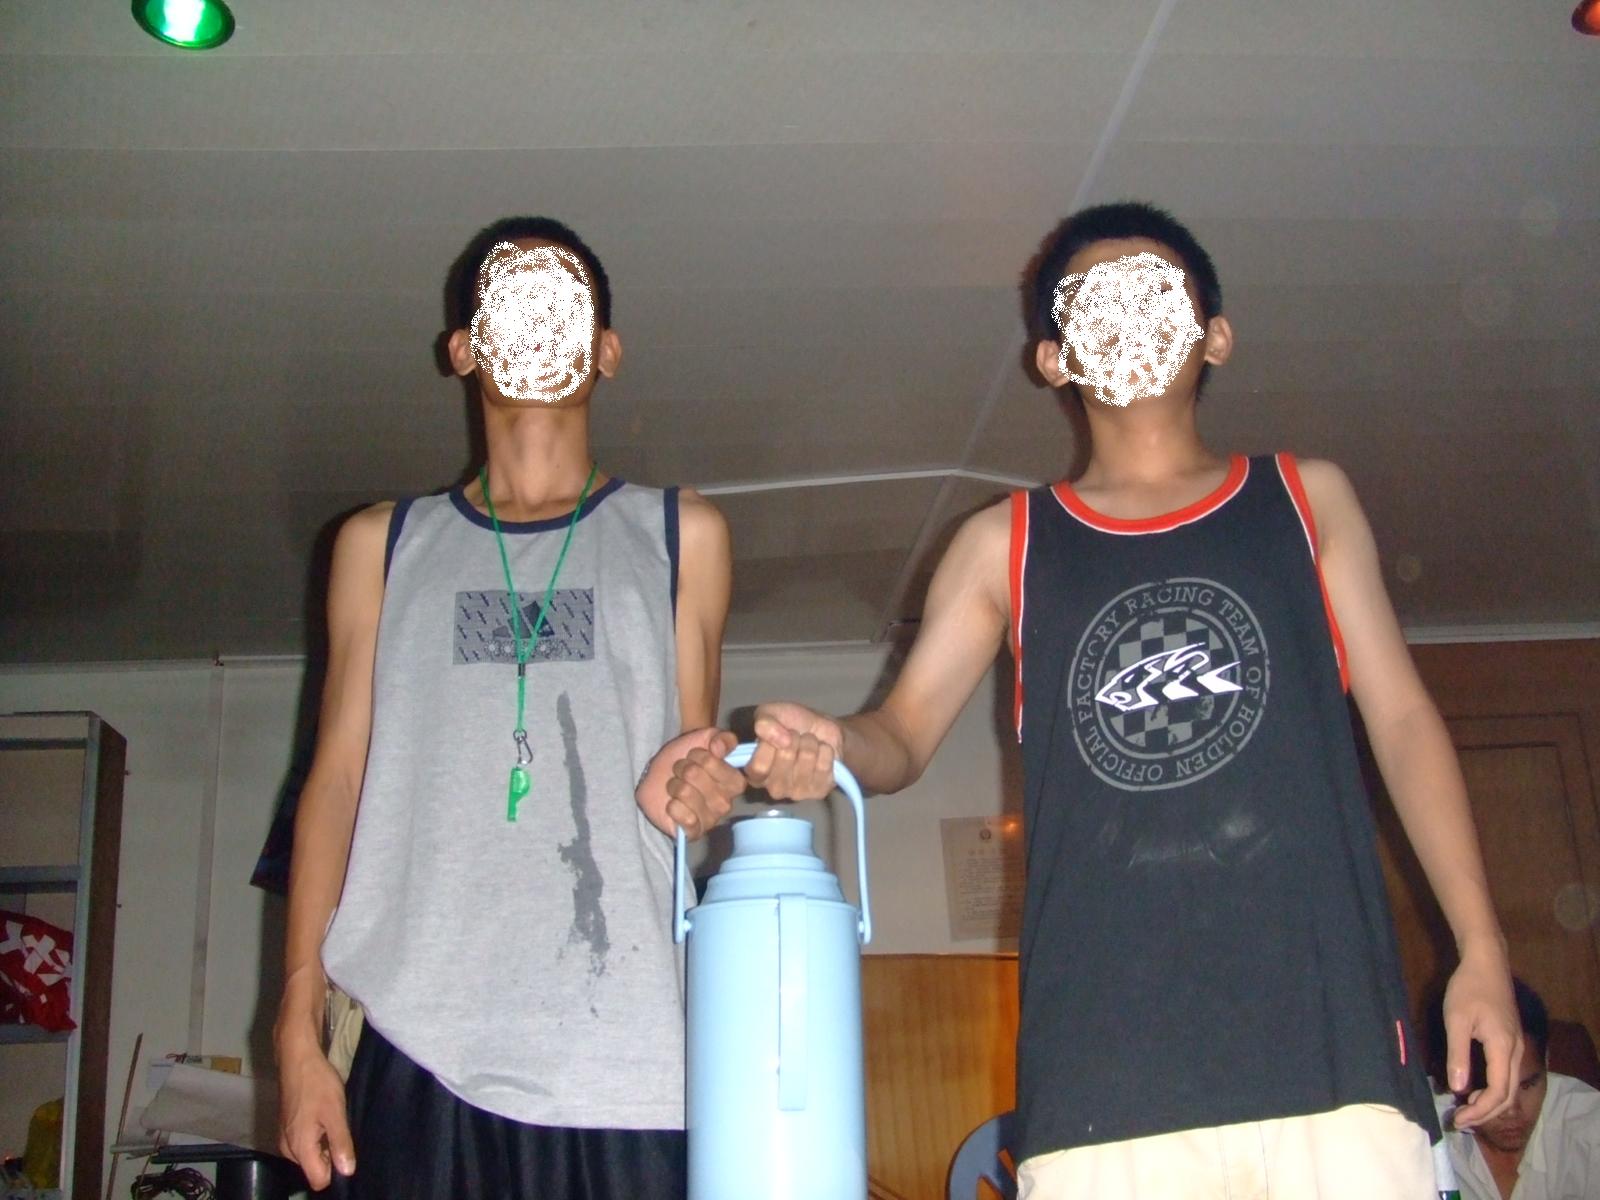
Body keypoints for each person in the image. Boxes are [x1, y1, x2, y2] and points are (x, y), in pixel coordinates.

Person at [669, 202, 1523, 1197]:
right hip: (1101, 1084)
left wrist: (1481, 948)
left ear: (1216, 335)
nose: (1125, 314)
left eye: (1152, 291)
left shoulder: (1304, 499)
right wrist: (833, 745)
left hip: (1334, 1062)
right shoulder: (1004, 542)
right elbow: (900, 735)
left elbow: (1404, 722)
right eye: (1095, 300)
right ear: (1053, 358)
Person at [273, 216, 737, 1198]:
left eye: (559, 298)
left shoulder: (680, 533)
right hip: (417, 1040)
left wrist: (710, 787)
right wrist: (296, 1031)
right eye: (508, 301)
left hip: (626, 1051)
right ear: (462, 348)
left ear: (606, 350)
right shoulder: (380, 544)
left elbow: (691, 779)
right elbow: (337, 782)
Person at [1437, 979, 1600, 1200]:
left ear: (1546, 1061)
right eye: (1492, 1090)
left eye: (1527, 1085)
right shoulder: (1419, 1131)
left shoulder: (1589, 1127)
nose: (1512, 1110)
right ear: (1457, 1079)